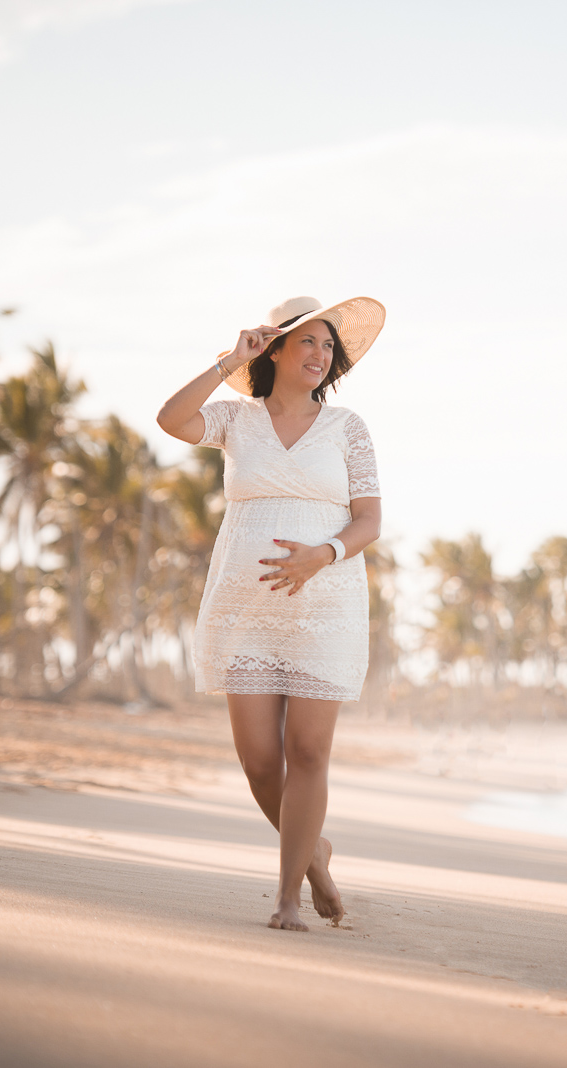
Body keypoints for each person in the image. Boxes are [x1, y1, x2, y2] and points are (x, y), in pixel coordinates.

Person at [156, 295, 385, 932]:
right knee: (261, 763)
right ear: (276, 347)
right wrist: (229, 360)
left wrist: (325, 553)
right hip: (244, 605)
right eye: (307, 341)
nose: (320, 355)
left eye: (328, 346)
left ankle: (288, 896)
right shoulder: (236, 419)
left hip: (326, 601)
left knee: (307, 752)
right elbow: (171, 419)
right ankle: (315, 858)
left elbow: (369, 519)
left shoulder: (349, 428)